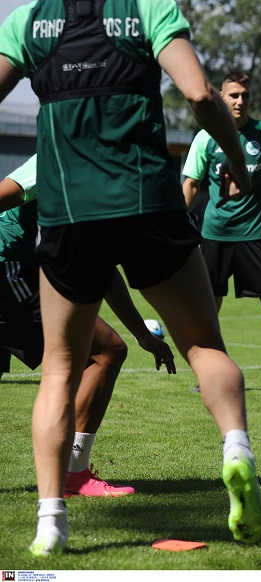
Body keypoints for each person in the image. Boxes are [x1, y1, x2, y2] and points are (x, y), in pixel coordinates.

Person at [0, 0, 261, 555]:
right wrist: (235, 159)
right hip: (147, 203)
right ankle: (236, 449)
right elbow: (199, 95)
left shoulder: (29, 20)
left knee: (60, 369)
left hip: (68, 214)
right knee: (203, 344)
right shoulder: (148, 7)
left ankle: (50, 525)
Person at [0, 157, 176, 497]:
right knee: (106, 352)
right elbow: (8, 193)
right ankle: (74, 474)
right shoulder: (61, 155)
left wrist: (142, 335)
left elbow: (104, 269)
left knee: (108, 350)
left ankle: (72, 474)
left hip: (21, 270)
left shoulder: (107, 180)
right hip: (11, 269)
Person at [182, 71, 261, 400]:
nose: (240, 101)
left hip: (253, 235)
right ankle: (208, 375)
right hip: (214, 235)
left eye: (245, 95)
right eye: (234, 95)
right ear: (221, 97)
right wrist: (178, 223)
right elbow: (191, 184)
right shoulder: (205, 137)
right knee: (209, 309)